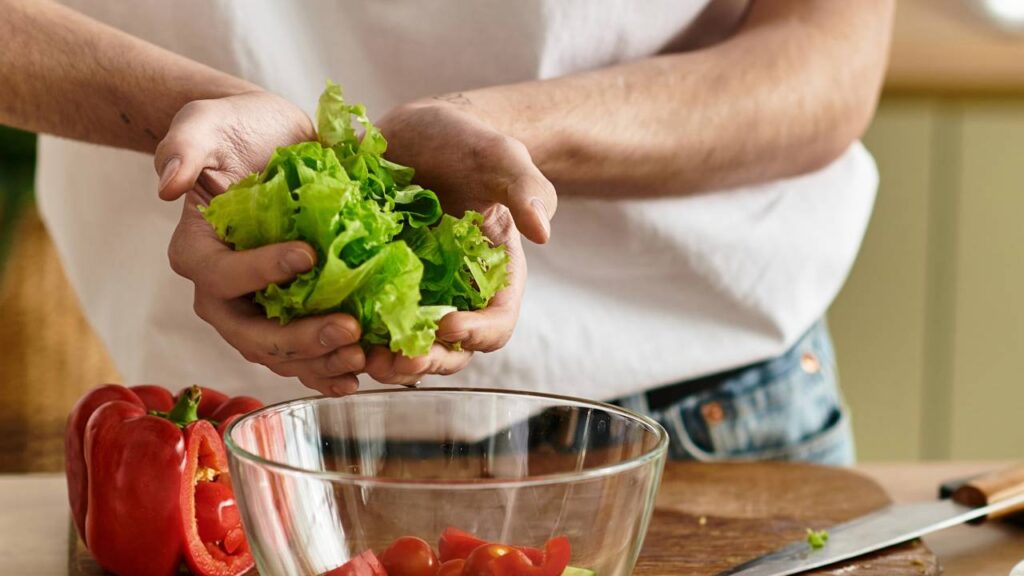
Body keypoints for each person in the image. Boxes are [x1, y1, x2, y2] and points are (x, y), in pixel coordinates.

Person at [0, 0, 893, 465]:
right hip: (225, 443)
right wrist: (181, 113)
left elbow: (829, 56)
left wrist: (514, 136)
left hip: (697, 416)